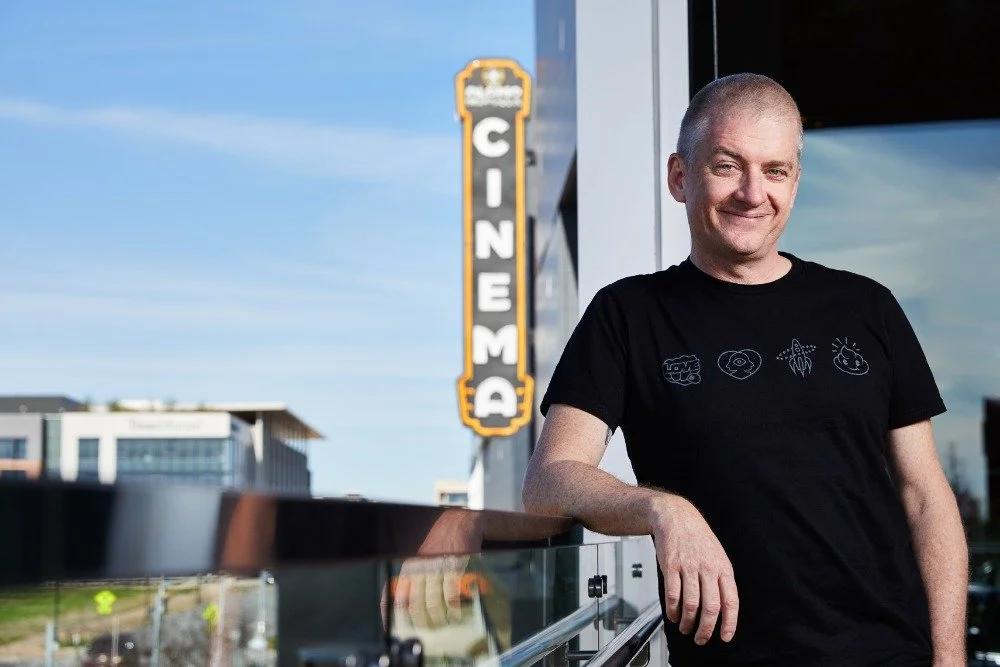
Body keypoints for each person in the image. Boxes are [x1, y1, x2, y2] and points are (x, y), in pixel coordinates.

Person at [522, 73, 968, 666]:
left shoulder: (867, 308)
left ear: (796, 181)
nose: (753, 192)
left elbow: (925, 497)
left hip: (890, 655)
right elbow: (548, 482)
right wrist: (664, 511)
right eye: (728, 166)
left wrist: (949, 657)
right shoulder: (627, 316)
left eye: (775, 170)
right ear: (680, 177)